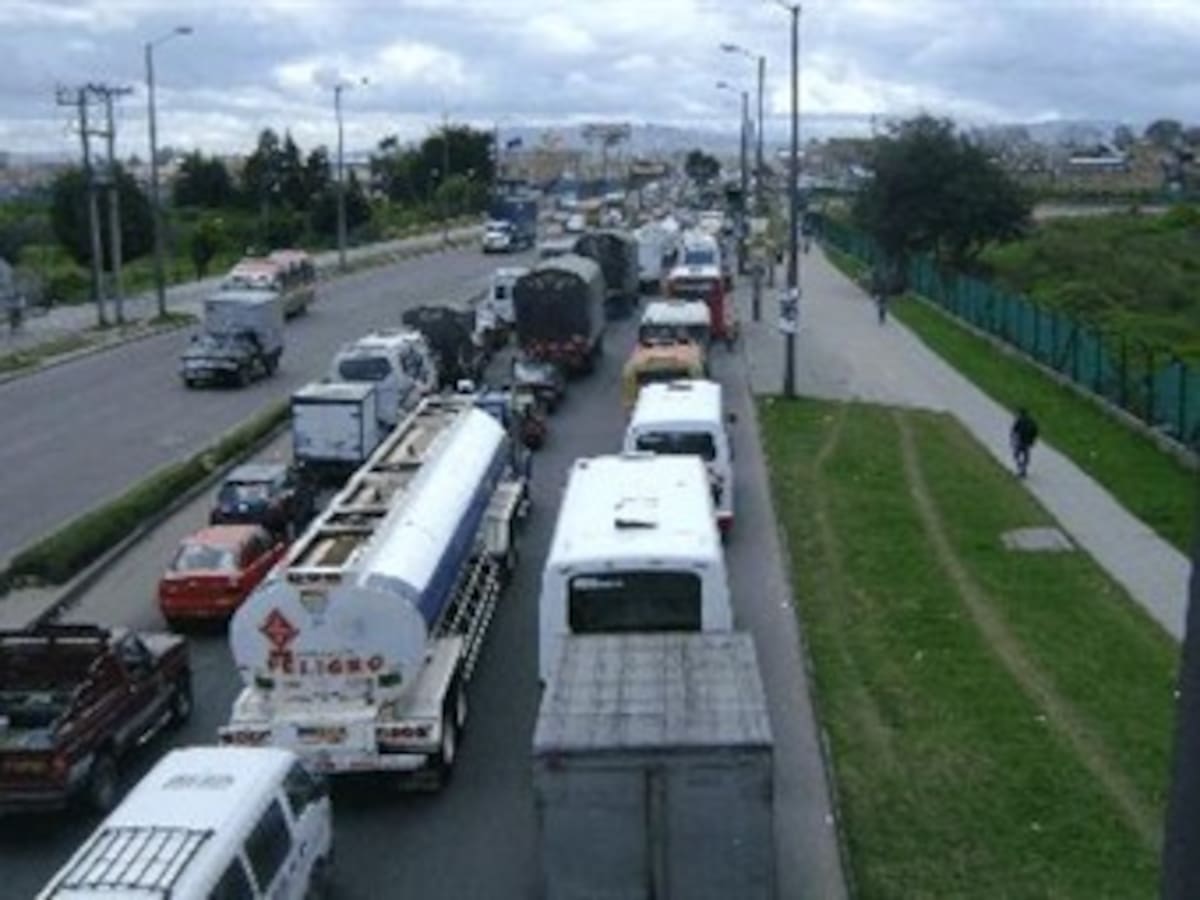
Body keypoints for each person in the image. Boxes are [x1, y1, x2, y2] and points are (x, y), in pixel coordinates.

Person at [1010, 408, 1039, 478]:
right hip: (1028, 442)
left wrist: (1012, 440)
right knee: (1026, 456)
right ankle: (1024, 468)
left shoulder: (1019, 420)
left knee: (1016, 455)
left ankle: (1021, 468)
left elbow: (1014, 430)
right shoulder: (1031, 421)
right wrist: (1032, 440)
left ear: (1020, 413)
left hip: (1020, 441)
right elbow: (1035, 431)